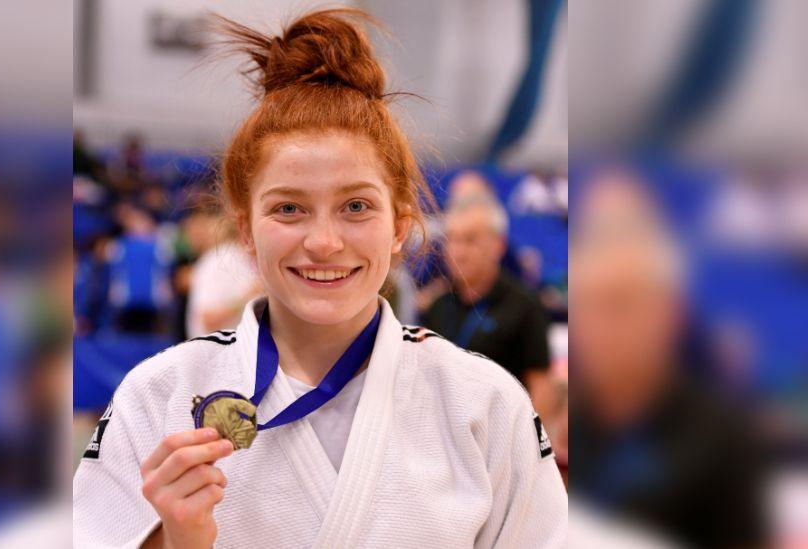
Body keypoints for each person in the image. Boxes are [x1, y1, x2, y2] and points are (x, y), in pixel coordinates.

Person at [73, 9, 567, 548]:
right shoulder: (159, 394)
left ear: (401, 226)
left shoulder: (485, 404)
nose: (324, 241)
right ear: (246, 231)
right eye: (288, 209)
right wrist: (173, 542)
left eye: (356, 205)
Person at [568, 172, 767, 548]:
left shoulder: (721, 440)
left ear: (668, 314)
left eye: (620, 304)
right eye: (589, 306)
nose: (600, 328)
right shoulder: (571, 427)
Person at [422, 186, 551, 390]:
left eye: (470, 240)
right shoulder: (438, 307)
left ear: (498, 245)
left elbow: (541, 389)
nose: (458, 252)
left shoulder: (524, 307)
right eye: (452, 239)